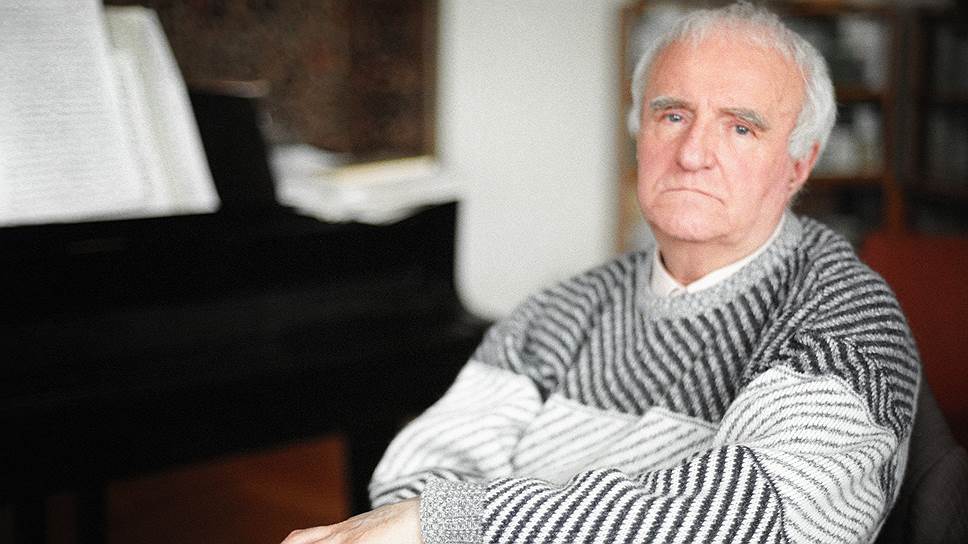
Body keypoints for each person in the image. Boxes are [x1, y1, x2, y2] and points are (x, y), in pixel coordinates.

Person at [282, 2, 920, 542]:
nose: (693, 153)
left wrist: (451, 521)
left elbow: (762, 519)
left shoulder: (845, 323)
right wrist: (433, 519)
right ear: (640, 132)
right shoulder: (564, 307)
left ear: (799, 164)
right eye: (673, 115)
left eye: (740, 128)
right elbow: (420, 471)